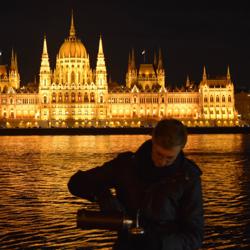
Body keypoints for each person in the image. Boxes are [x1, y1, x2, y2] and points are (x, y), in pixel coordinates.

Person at [68, 119, 204, 250]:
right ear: (153, 141)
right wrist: (102, 195)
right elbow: (76, 183)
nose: (162, 162)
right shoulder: (125, 165)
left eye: (169, 158)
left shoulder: (188, 177)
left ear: (181, 149)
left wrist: (160, 244)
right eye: (159, 154)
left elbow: (194, 236)